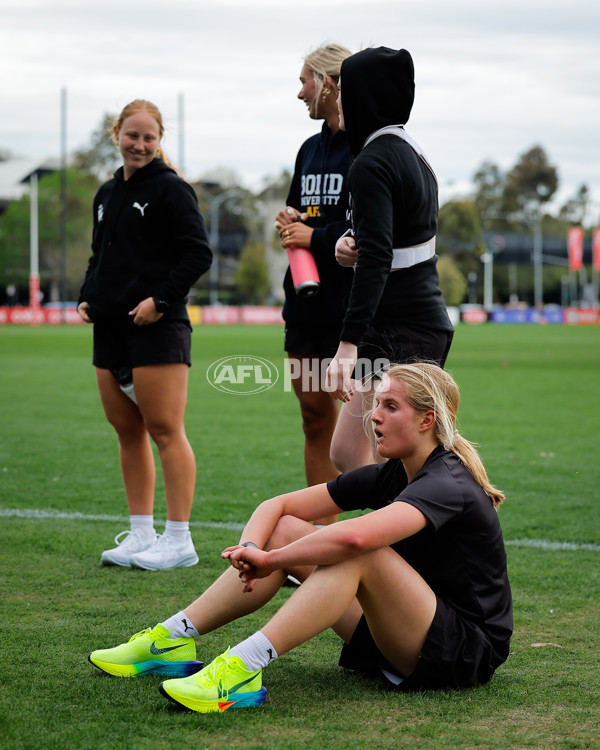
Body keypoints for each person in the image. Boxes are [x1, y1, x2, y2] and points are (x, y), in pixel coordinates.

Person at [88, 362, 512, 713]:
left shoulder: (448, 481)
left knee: (359, 552)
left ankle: (243, 667)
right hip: (397, 632)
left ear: (427, 420)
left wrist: (272, 562)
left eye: (390, 406)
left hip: (460, 651)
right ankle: (172, 639)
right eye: (376, 403)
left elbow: (354, 541)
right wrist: (253, 549)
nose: (374, 415)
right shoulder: (394, 472)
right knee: (288, 531)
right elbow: (278, 506)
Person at [77, 99, 212, 571]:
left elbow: (198, 254)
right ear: (116, 133)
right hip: (110, 332)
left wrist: (161, 301)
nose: (139, 144)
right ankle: (141, 534)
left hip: (158, 329)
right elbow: (101, 256)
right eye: (131, 135)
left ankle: (179, 540)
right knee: (126, 431)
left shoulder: (173, 191)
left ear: (158, 141)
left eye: (148, 137)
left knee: (165, 432)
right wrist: (87, 295)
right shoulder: (106, 192)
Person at [324, 47, 455, 474]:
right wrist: (350, 243)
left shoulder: (372, 161)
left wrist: (347, 345)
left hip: (406, 329)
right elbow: (394, 240)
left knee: (401, 460)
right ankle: (386, 538)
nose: (337, 100)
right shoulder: (411, 153)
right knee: (349, 455)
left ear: (366, 95)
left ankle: (419, 536)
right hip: (402, 325)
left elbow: (380, 256)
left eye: (343, 90)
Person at [274, 43, 354, 518]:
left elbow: (371, 231)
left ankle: (369, 547)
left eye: (304, 80)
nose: (299, 91)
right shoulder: (309, 148)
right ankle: (319, 542)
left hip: (353, 313)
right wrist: (290, 220)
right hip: (305, 308)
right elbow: (301, 214)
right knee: (313, 420)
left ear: (327, 83)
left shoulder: (367, 147)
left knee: (365, 433)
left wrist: (315, 235)